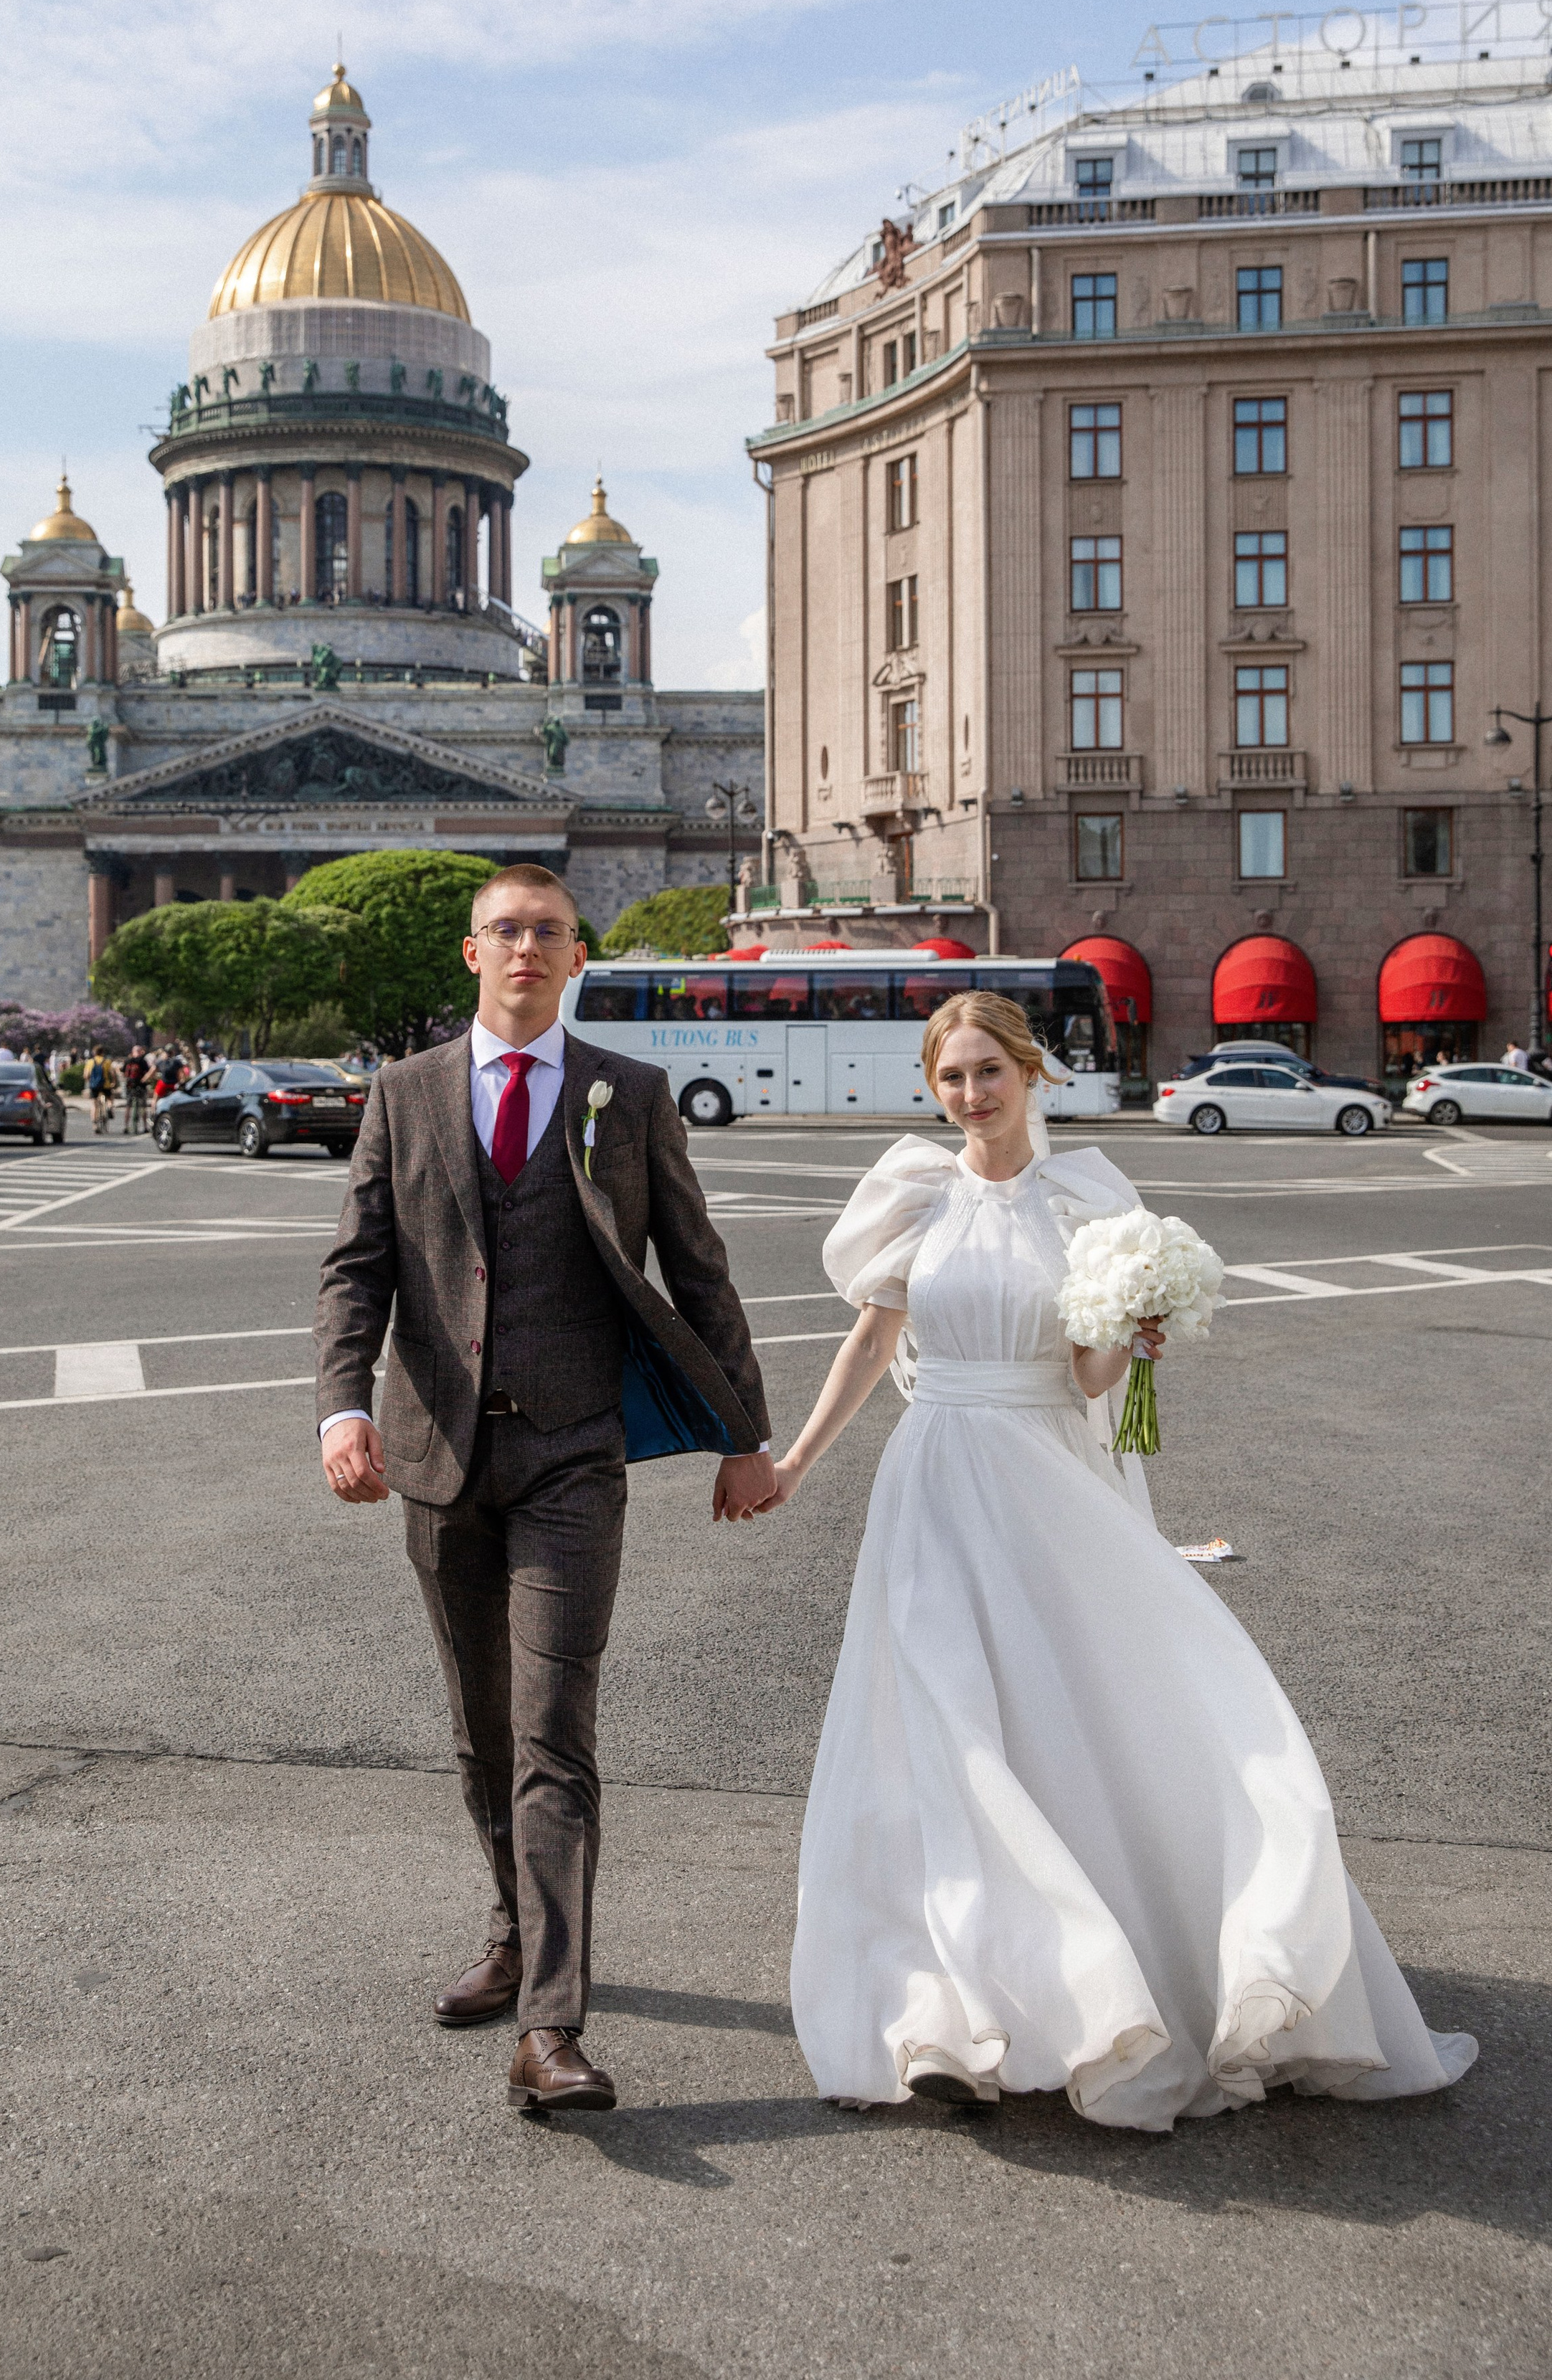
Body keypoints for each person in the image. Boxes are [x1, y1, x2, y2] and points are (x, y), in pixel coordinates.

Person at [769, 990, 1475, 2131]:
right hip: (934, 1477)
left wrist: (1138, 1334)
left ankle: (1096, 1978)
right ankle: (942, 2009)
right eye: (950, 1077)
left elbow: (1091, 1381)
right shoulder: (910, 1193)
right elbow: (871, 1338)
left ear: (1032, 1074)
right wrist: (794, 1462)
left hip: (1045, 1479)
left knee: (1076, 1715)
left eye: (988, 1072)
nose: (968, 1095)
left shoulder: (1088, 1199)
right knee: (938, 1725)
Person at [313, 862, 775, 2116]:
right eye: (505, 931)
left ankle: (550, 2028)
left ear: (579, 958)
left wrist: (747, 1433)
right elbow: (356, 1268)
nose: (526, 949)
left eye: (548, 933)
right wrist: (342, 1406)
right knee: (482, 1733)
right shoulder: (403, 1096)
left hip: (575, 1456)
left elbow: (700, 1270)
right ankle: (518, 1928)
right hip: (437, 1460)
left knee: (554, 1734)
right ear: (473, 956)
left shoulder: (628, 1096)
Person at [121, 1046, 151, 1134]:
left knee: (128, 1106)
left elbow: (123, 1072)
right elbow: (148, 1072)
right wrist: (145, 1080)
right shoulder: (143, 1061)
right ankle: (145, 1127)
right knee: (143, 1107)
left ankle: (126, 1126)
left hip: (130, 1086)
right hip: (141, 1086)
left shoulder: (128, 1061)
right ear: (140, 1052)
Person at [86, 1054, 115, 1132]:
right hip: (106, 1085)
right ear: (103, 1053)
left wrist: (90, 1082)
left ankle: (95, 1125)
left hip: (94, 1086)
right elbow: (112, 1073)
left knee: (94, 1104)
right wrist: (113, 1082)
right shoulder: (107, 1062)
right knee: (110, 1098)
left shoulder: (90, 1062)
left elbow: (86, 1075)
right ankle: (109, 1107)